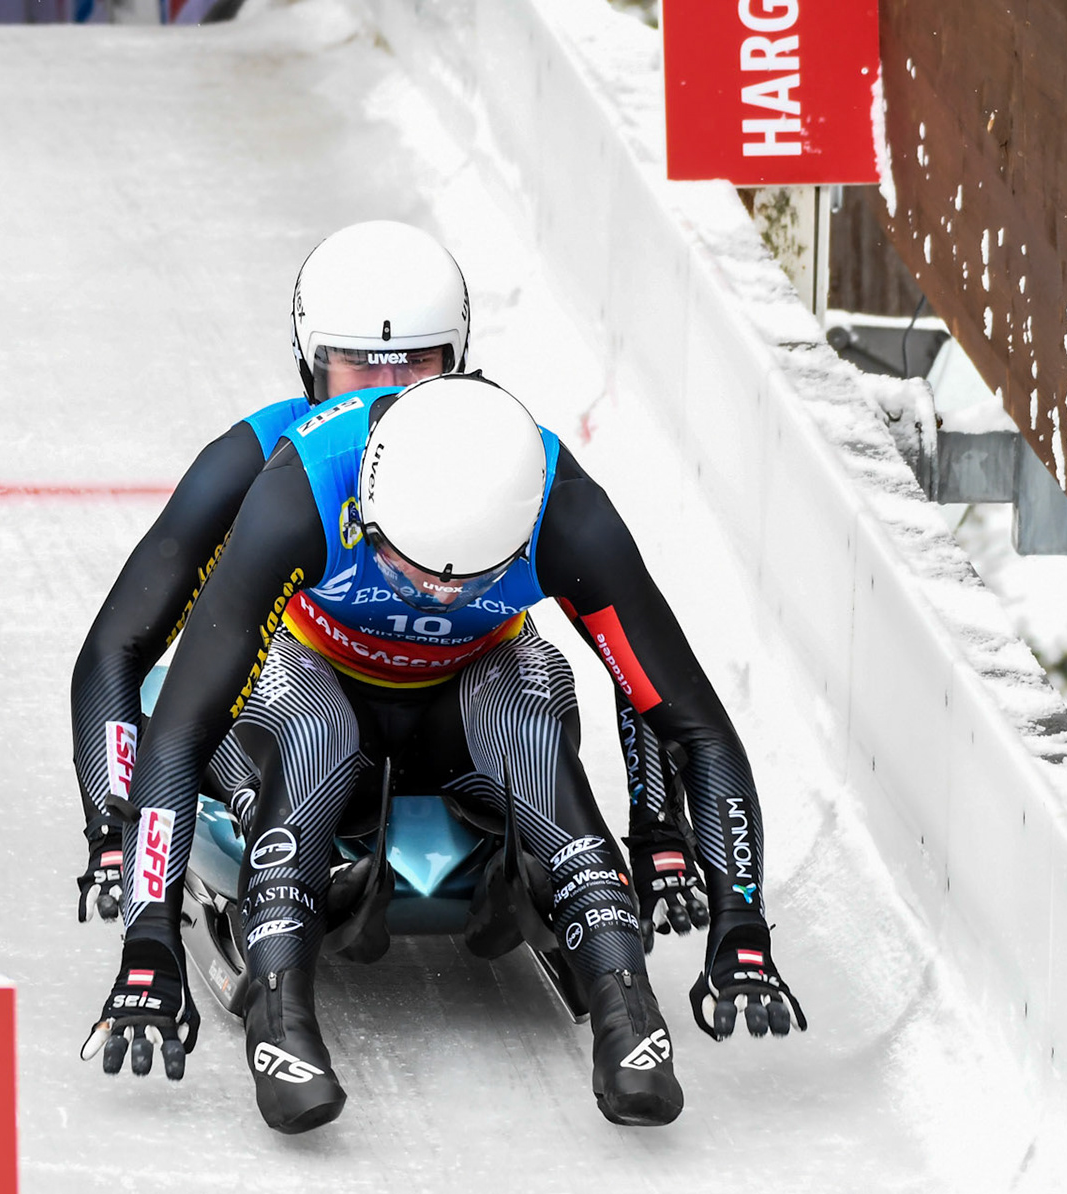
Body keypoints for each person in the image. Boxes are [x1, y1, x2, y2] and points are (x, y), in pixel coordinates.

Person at [81, 374, 807, 1133]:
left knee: (529, 717)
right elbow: (182, 729)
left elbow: (693, 724)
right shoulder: (300, 491)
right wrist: (149, 939)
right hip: (313, 674)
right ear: (366, 512)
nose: (436, 600)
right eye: (411, 570)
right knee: (312, 733)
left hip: (474, 687)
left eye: (470, 581)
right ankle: (282, 1016)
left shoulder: (569, 513)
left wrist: (742, 926)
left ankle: (627, 1006)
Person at [67, 220, 710, 946]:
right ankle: (265, 811)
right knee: (181, 690)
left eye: (416, 368)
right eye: (358, 369)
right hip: (309, 712)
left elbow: (631, 644)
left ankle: (536, 836)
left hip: (467, 720)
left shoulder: (510, 463)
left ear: (458, 362)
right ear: (313, 368)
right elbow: (118, 645)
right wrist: (114, 829)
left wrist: (660, 831)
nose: (390, 394)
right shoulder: (262, 463)